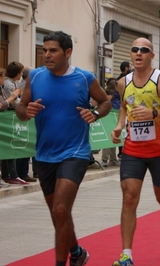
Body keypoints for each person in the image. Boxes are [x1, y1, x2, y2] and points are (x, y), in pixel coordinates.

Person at [15, 31, 112, 266]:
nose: (47, 55)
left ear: (67, 53)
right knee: (58, 213)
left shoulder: (84, 78)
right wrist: (25, 113)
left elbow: (106, 101)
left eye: (53, 50)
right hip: (44, 154)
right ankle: (77, 252)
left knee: (60, 209)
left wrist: (96, 113)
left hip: (75, 152)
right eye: (45, 50)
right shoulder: (35, 77)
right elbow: (21, 107)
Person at [110, 37, 160, 266]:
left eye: (144, 50)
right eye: (134, 49)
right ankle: (126, 255)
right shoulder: (123, 82)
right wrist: (118, 127)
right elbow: (124, 109)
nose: (138, 53)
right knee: (129, 198)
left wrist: (155, 115)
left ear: (151, 55)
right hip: (133, 149)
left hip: (159, 150)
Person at [101, 78, 121, 167]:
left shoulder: (106, 93)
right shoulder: (119, 93)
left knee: (107, 138)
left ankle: (105, 159)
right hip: (115, 116)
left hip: (107, 116)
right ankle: (113, 159)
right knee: (114, 137)